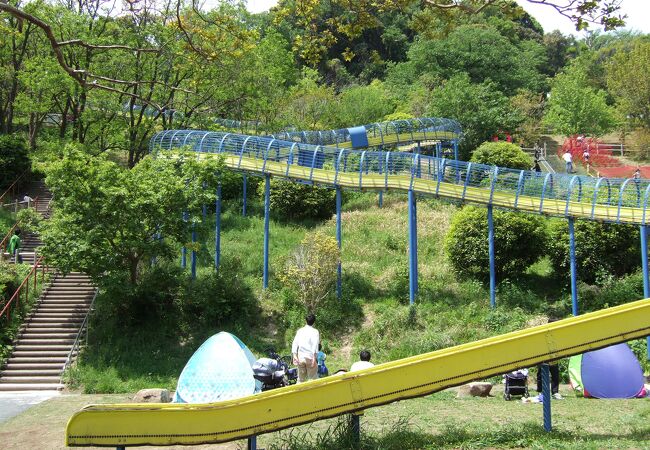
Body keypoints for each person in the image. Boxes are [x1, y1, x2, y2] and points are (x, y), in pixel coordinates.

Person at [535, 318, 562, 400]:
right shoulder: (543, 332)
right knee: (541, 375)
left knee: (555, 375)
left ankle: (555, 392)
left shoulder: (558, 333)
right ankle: (541, 392)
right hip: (543, 357)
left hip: (553, 357)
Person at [291, 313, 320, 383]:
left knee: (300, 379)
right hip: (310, 357)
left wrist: (295, 356)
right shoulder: (315, 332)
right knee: (313, 379)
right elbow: (315, 345)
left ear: (305, 321)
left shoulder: (300, 331)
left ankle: (298, 393)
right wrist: (314, 358)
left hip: (301, 358)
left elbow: (295, 343)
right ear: (314, 322)